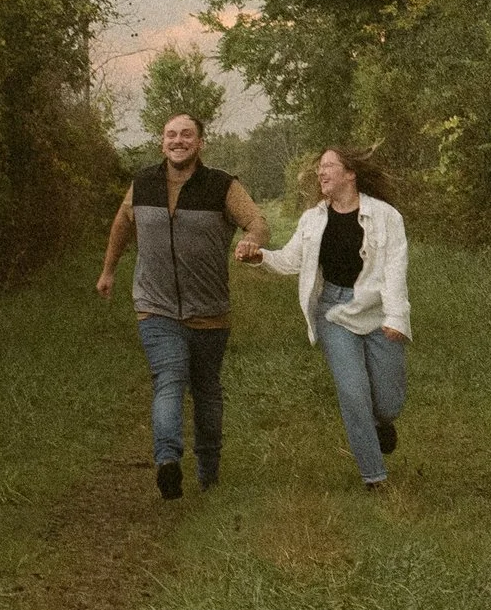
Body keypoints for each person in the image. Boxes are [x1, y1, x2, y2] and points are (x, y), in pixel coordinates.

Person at [97, 113, 269, 500]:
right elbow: (122, 223)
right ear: (162, 143)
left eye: (186, 135)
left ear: (200, 143)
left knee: (206, 389)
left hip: (209, 310)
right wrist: (109, 270)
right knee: (170, 376)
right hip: (155, 306)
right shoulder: (143, 183)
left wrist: (251, 241)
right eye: (171, 135)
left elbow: (257, 221)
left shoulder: (222, 185)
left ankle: (209, 473)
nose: (178, 141)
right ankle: (168, 462)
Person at [238, 147, 410, 490]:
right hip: (333, 311)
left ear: (350, 173)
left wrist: (395, 316)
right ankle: (374, 477)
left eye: (329, 166)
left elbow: (395, 269)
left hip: (377, 310)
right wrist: (260, 257)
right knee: (352, 392)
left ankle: (380, 422)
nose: (321, 173)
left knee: (389, 403)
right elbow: (290, 261)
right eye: (319, 168)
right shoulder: (313, 220)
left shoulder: (386, 216)